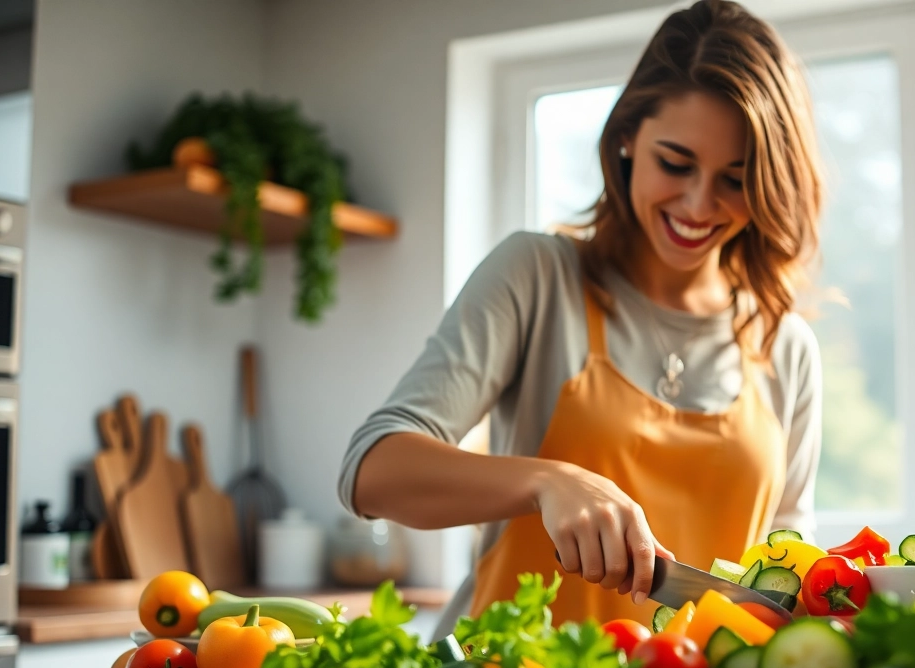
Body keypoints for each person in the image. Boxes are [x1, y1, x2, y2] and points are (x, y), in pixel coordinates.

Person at [339, 0, 824, 635]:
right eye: (675, 164)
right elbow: (371, 470)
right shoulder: (538, 275)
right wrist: (545, 482)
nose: (699, 204)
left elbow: (784, 567)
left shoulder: (785, 344)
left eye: (735, 180)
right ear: (626, 139)